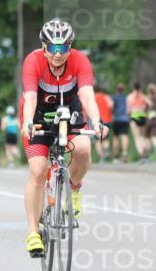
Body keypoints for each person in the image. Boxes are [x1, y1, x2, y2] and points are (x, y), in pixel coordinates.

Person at [20, 18, 107, 257]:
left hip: (70, 112)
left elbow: (88, 94)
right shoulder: (33, 61)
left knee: (83, 149)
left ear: (70, 47)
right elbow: (30, 96)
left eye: (64, 48)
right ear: (43, 47)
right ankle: (32, 233)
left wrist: (98, 121)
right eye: (52, 48)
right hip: (38, 114)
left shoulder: (80, 60)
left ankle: (74, 189)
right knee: (38, 170)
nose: (58, 54)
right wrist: (28, 123)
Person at [127, 83, 152, 162]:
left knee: (137, 137)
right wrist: (146, 110)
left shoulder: (130, 97)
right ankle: (145, 150)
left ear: (133, 88)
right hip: (142, 115)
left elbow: (128, 110)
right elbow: (150, 104)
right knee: (142, 135)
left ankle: (141, 154)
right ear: (140, 88)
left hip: (134, 116)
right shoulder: (143, 96)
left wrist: (130, 114)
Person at [94, 86, 114, 162]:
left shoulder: (93, 98)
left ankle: (101, 157)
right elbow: (111, 105)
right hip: (107, 120)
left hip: (97, 121)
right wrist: (110, 113)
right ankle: (106, 150)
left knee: (98, 140)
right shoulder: (106, 97)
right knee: (105, 138)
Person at [111, 84, 131, 163]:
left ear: (117, 90)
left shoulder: (114, 98)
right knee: (124, 136)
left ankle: (116, 156)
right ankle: (125, 152)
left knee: (115, 137)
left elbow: (111, 107)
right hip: (125, 119)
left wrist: (112, 112)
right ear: (123, 90)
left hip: (117, 119)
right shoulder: (126, 98)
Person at [145, 83, 156, 156]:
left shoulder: (146, 98)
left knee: (148, 137)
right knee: (154, 136)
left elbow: (143, 109)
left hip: (147, 119)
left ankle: (147, 155)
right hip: (155, 119)